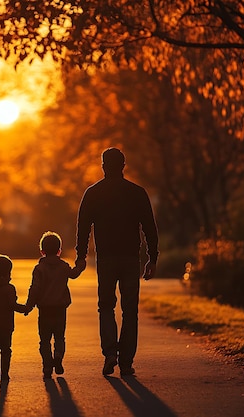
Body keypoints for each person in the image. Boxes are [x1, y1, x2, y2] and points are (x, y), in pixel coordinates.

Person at [75, 147, 159, 376]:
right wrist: (152, 257)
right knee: (130, 310)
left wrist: (81, 257)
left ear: (103, 166)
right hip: (130, 258)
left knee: (106, 307)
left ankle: (110, 353)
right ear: (124, 166)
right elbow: (150, 227)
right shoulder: (137, 192)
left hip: (107, 259)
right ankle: (126, 362)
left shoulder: (93, 193)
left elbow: (83, 227)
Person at [25, 231, 84, 379]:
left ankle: (47, 365)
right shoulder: (63, 266)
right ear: (59, 250)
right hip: (60, 309)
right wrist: (80, 265)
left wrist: (29, 305)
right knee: (59, 337)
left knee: (44, 340)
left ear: (42, 251)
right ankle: (58, 356)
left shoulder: (39, 269)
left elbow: (35, 288)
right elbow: (74, 274)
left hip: (44, 310)